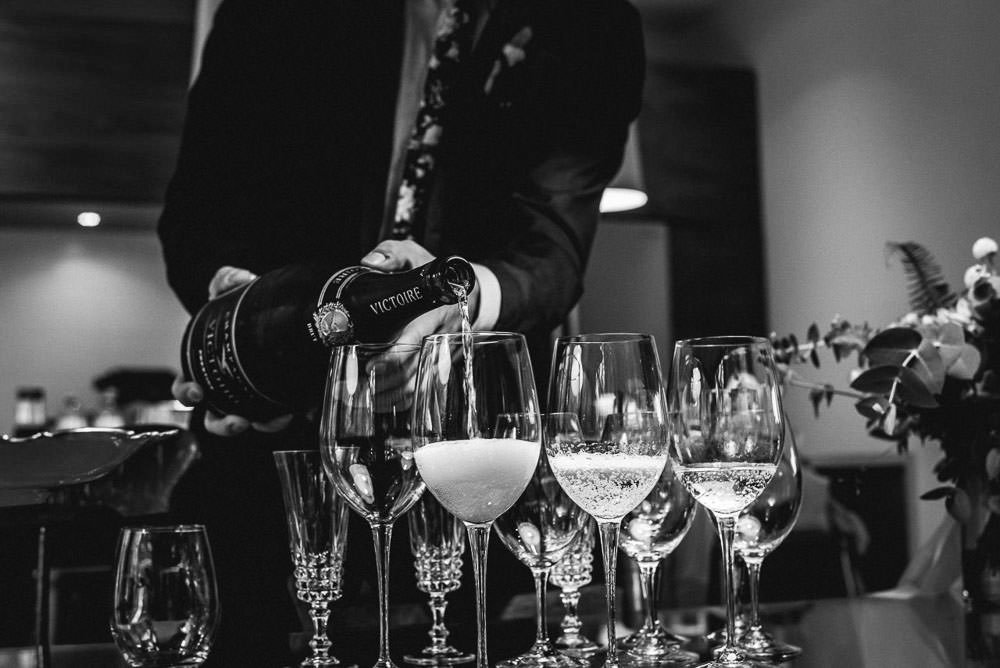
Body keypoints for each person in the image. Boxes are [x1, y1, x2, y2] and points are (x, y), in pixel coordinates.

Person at [158, 0, 644, 664]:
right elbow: (196, 218)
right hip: (272, 466)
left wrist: (456, 300)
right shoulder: (268, 13)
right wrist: (255, 344)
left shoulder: (591, 21)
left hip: (475, 464)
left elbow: (552, 255)